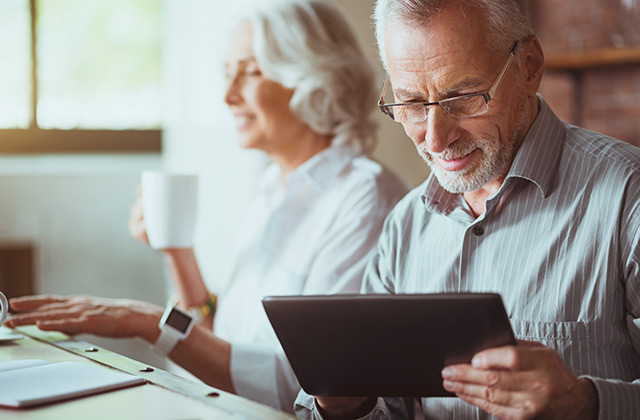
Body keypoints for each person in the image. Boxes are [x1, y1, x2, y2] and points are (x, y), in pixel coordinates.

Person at [6, 0, 408, 413]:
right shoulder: (275, 186)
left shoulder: (365, 199)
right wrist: (176, 249)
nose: (228, 95)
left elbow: (309, 388)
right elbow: (224, 342)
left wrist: (145, 321)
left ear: (314, 79)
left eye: (250, 71)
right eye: (227, 72)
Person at [294, 0, 640, 419]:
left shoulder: (627, 197)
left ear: (529, 66)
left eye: (463, 97)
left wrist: (584, 403)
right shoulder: (404, 227)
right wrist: (346, 406)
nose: (436, 140)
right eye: (412, 104)